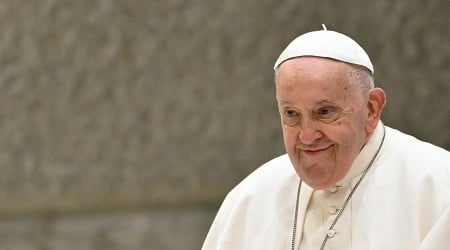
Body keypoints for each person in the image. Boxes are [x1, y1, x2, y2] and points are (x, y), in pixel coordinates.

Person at [202, 25, 450, 250]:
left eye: (325, 112)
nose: (307, 136)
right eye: (291, 114)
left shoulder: (439, 186)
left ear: (372, 108)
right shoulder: (249, 198)